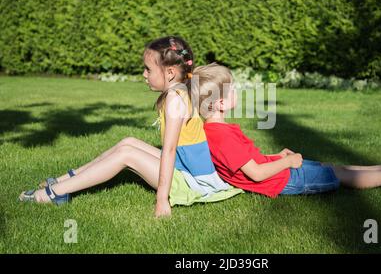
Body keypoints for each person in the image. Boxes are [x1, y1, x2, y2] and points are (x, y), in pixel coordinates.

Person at [19, 37, 242, 217]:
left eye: (148, 70)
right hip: (186, 170)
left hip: (193, 182)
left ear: (170, 72)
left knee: (127, 154)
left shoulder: (176, 98)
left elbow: (170, 150)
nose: (144, 75)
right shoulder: (179, 90)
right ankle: (63, 180)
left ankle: (56, 192)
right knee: (128, 142)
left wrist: (162, 199)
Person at [193, 63, 381, 197]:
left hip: (278, 172)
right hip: (281, 181)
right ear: (221, 102)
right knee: (338, 176)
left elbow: (249, 161)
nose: (237, 92)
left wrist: (277, 157)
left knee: (332, 168)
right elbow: (255, 174)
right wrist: (288, 162)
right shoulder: (222, 136)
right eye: (232, 90)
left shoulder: (215, 130)